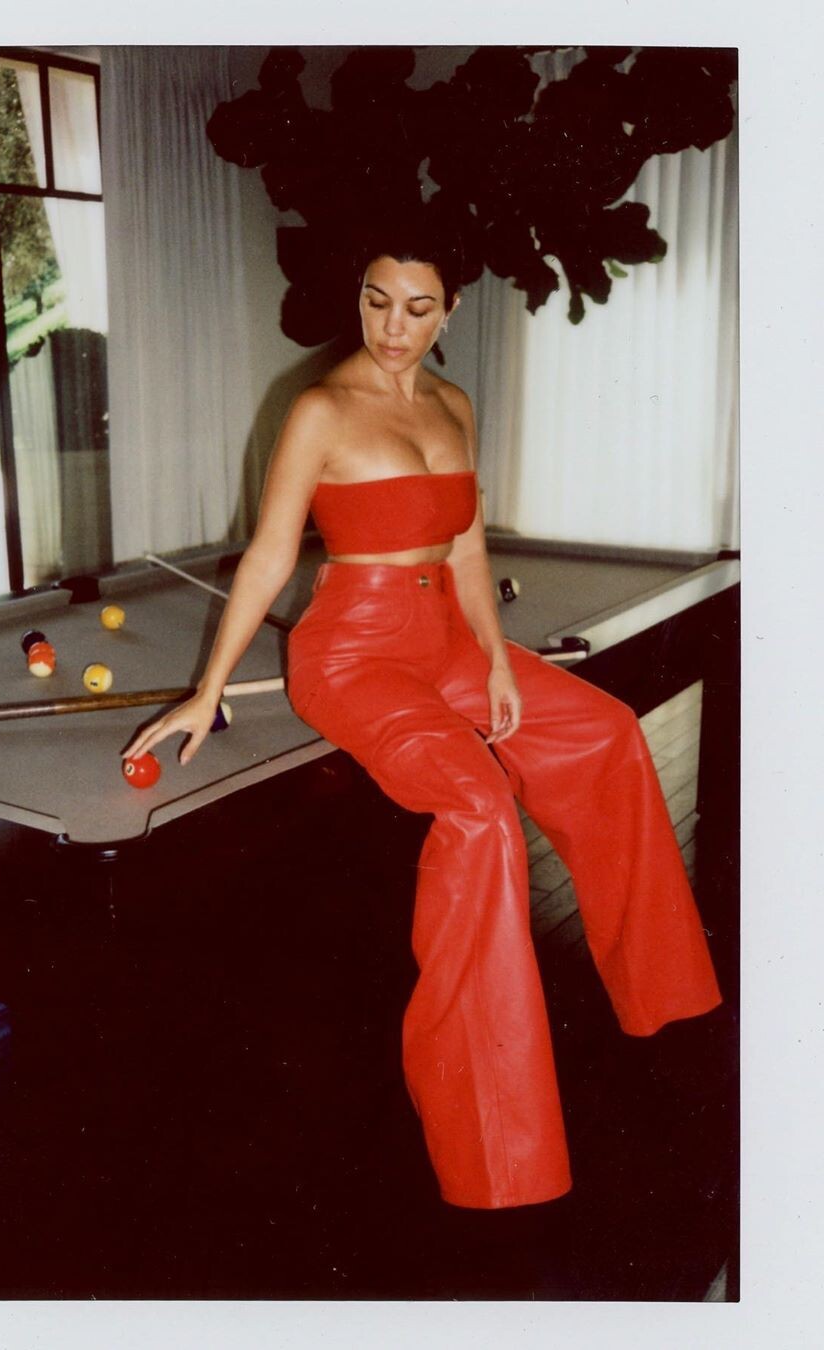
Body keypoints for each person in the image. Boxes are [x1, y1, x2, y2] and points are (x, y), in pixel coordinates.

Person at [122, 227, 723, 1210]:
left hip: (448, 639)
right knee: (481, 811)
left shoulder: (454, 405)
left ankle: (663, 993)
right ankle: (491, 1140)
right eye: (375, 300)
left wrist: (498, 659)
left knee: (605, 731)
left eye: (415, 307)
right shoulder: (320, 409)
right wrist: (209, 684)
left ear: (449, 311)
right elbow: (270, 553)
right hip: (351, 652)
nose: (391, 326)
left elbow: (469, 550)